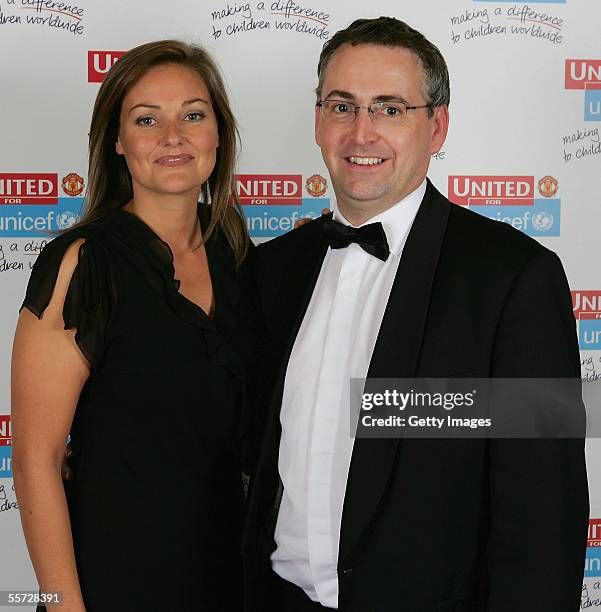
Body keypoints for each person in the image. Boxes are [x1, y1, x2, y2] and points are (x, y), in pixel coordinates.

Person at [244, 17, 589, 612]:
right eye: (342, 106)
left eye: (390, 108)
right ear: (318, 119)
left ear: (437, 126)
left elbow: (544, 517)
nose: (362, 132)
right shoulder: (271, 271)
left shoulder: (514, 280)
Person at [11, 40, 260, 612]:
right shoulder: (83, 263)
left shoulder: (237, 252)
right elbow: (35, 460)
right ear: (118, 142)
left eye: (193, 115)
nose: (173, 136)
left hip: (233, 576)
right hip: (119, 578)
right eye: (147, 120)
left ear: (218, 135)